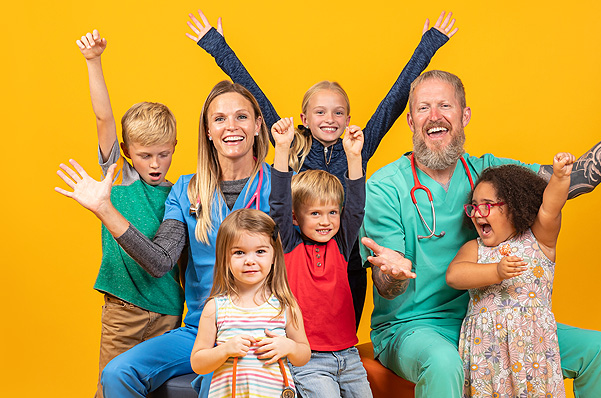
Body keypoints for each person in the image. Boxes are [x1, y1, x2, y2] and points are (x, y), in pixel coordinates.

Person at [359, 58, 601, 398]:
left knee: (597, 350)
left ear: (464, 115)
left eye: (445, 106)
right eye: (423, 107)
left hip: (493, 320)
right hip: (413, 328)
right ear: (410, 121)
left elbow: (572, 182)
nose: (434, 116)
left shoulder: (489, 174)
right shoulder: (385, 186)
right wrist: (390, 272)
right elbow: (386, 288)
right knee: (443, 364)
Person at [185, 9, 458, 328]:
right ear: (304, 118)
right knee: (301, 340)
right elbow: (255, 95)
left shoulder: (358, 146)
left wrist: (428, 45)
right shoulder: (293, 144)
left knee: (342, 339)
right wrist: (218, 47)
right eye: (320, 112)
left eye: (338, 113)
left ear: (347, 118)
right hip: (299, 259)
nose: (329, 119)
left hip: (345, 259)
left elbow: (394, 101)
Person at [56, 80, 272, 398]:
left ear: (257, 125)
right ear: (207, 129)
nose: (231, 126)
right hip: (199, 329)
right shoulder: (186, 189)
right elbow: (159, 260)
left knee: (215, 391)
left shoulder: (281, 186)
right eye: (219, 118)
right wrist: (105, 209)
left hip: (262, 327)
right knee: (119, 372)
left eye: (241, 116)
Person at [72, 29, 184, 398]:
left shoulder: (180, 193)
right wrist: (93, 62)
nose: (155, 164)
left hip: (169, 316)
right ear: (125, 152)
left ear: (174, 147)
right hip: (124, 313)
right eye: (145, 155)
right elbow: (104, 117)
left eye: (164, 153)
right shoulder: (115, 180)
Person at [446, 154, 577, 398]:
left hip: (534, 357)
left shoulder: (539, 239)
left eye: (488, 206)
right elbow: (454, 275)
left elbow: (551, 207)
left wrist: (559, 178)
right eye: (474, 207)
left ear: (514, 205)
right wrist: (495, 271)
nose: (479, 213)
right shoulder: (474, 248)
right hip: (488, 361)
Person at [270, 117, 384, 398]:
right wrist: (281, 149)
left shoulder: (340, 243)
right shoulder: (289, 244)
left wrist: (353, 157)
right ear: (296, 218)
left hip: (348, 357)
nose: (326, 221)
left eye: (332, 213)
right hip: (310, 360)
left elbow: (356, 208)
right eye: (315, 214)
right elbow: (278, 203)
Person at [191, 208, 310, 398]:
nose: (250, 260)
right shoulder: (215, 307)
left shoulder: (285, 305)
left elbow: (303, 354)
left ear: (274, 255)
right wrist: (224, 350)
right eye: (239, 252)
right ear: (224, 257)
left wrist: (288, 346)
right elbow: (198, 362)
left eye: (260, 251)